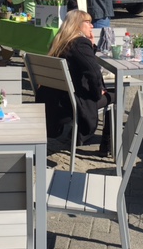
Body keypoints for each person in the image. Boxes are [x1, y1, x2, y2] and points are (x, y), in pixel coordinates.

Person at [35, 10, 113, 154]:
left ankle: (77, 136)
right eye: (88, 22)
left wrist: (92, 46)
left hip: (52, 100)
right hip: (70, 102)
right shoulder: (80, 43)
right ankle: (106, 146)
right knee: (114, 94)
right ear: (77, 25)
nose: (92, 26)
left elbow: (83, 63)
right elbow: (94, 73)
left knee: (107, 92)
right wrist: (97, 94)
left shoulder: (60, 41)